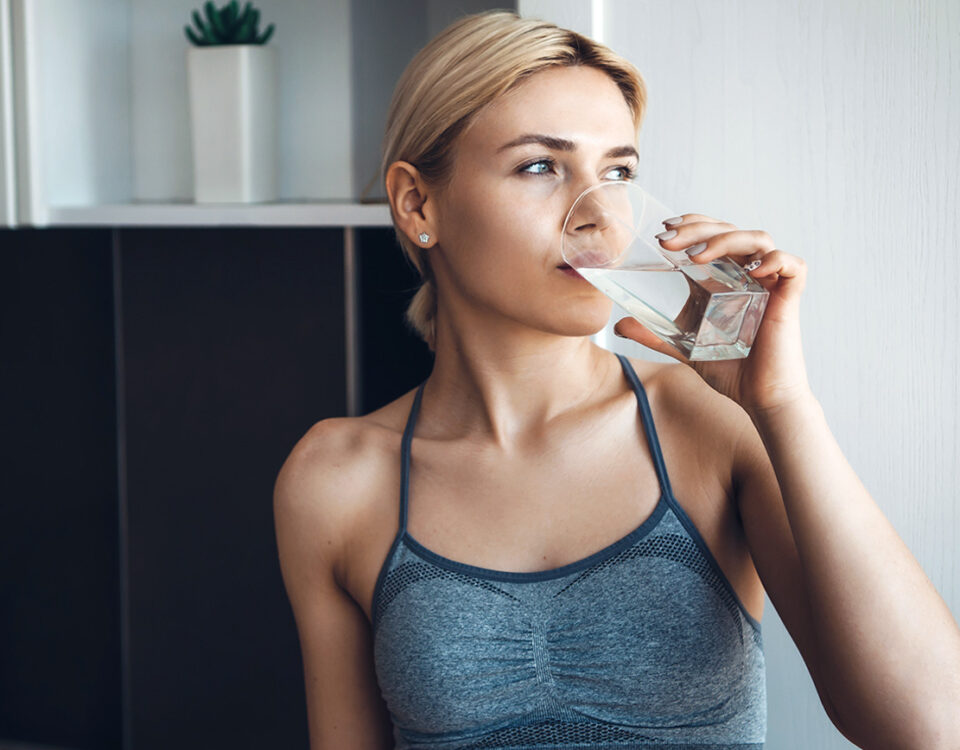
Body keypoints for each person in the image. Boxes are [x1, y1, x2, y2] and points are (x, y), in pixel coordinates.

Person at [273, 10, 960, 750]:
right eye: (541, 167)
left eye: (619, 172)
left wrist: (783, 404)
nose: (600, 215)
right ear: (418, 204)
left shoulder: (710, 426)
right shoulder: (335, 480)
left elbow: (932, 729)